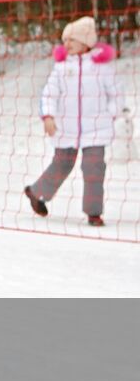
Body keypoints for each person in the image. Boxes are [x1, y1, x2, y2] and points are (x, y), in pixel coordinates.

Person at [24, 17, 125, 227]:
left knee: (94, 168)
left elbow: (116, 93)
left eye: (72, 40)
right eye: (65, 40)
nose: (66, 44)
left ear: (86, 42)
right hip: (66, 128)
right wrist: (48, 116)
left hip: (96, 129)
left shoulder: (102, 68)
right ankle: (37, 193)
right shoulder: (61, 69)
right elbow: (48, 95)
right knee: (62, 164)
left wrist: (111, 114)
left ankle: (94, 212)